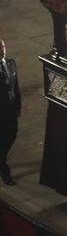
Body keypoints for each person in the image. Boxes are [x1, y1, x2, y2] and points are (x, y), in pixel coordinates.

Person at [0, 39, 20, 186]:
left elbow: (15, 87)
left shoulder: (11, 64)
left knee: (12, 135)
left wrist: (18, 106)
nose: (2, 50)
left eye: (3, 46)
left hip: (11, 110)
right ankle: (4, 172)